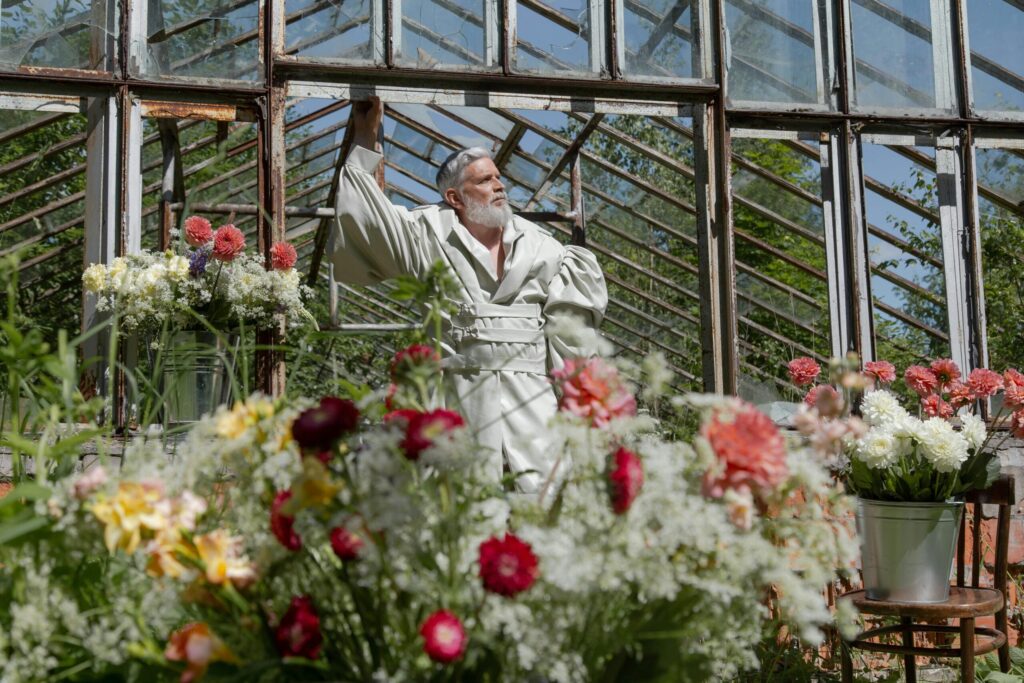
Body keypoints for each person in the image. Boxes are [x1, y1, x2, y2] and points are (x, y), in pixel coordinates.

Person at [330, 97, 608, 492]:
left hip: (535, 411)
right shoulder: (428, 234)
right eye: (483, 181)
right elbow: (371, 222)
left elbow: (570, 343)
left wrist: (584, 421)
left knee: (543, 508)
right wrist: (366, 136)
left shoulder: (545, 248)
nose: (499, 186)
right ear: (454, 199)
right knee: (465, 513)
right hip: (460, 402)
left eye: (498, 178)